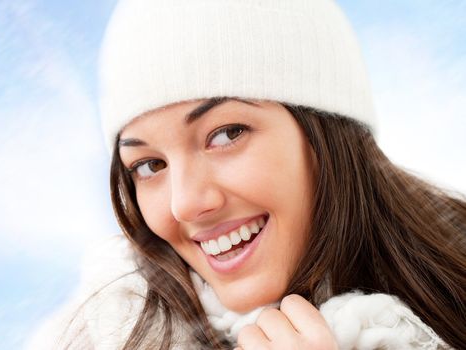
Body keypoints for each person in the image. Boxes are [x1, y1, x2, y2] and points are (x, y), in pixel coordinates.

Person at [27, 0, 466, 349]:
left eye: (226, 134)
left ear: (329, 132)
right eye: (149, 165)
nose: (185, 203)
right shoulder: (107, 334)